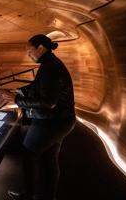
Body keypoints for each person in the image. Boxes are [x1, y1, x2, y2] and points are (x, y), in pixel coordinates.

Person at [7, 34, 76, 200]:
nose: (28, 54)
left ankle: (28, 195)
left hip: (51, 122)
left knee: (28, 154)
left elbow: (48, 102)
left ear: (40, 48)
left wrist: (18, 101)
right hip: (62, 120)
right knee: (49, 160)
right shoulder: (50, 63)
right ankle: (48, 196)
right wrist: (20, 90)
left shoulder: (49, 67)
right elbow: (39, 85)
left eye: (30, 50)